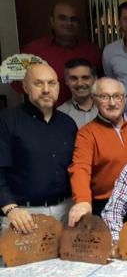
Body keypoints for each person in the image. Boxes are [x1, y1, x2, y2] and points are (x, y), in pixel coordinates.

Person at [0, 64, 77, 233]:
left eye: (52, 83)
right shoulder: (6, 121)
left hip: (66, 211)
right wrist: (10, 208)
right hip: (23, 216)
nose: (46, 89)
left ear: (58, 86)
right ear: (25, 87)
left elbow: (77, 168)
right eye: (38, 83)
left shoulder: (68, 123)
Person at [67, 78, 127, 227]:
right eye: (104, 97)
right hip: (106, 206)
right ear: (94, 100)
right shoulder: (86, 133)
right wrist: (83, 201)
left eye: (117, 96)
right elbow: (80, 168)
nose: (112, 103)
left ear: (125, 99)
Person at [17, 2, 102, 106]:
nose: (69, 23)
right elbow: (18, 85)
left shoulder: (92, 51)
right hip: (43, 116)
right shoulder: (32, 50)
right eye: (62, 18)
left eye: (73, 19)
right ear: (52, 21)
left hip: (86, 116)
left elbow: (101, 86)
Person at [57, 58, 99, 127]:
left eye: (85, 78)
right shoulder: (59, 114)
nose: (80, 83)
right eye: (74, 78)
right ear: (66, 81)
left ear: (95, 79)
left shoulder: (108, 107)